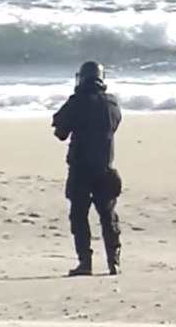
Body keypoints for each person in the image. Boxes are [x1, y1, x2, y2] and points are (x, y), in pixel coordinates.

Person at [52, 61, 123, 277]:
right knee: (108, 215)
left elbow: (60, 131)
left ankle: (85, 262)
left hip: (80, 170)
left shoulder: (76, 102)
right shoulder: (111, 104)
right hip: (104, 169)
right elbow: (115, 124)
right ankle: (114, 262)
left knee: (79, 216)